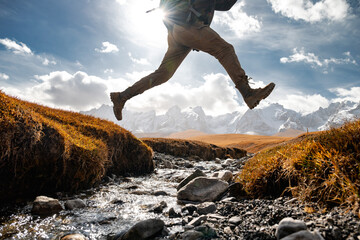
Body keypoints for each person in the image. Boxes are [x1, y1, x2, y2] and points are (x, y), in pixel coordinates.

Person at [111, 0, 275, 121]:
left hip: (176, 33)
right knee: (225, 50)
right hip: (188, 27)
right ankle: (248, 93)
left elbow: (224, 5)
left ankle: (122, 97)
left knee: (163, 74)